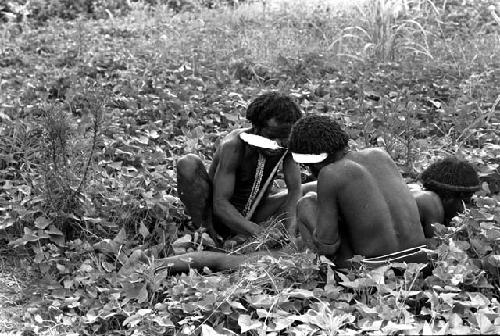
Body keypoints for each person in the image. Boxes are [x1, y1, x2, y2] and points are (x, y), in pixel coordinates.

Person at [288, 115, 429, 269]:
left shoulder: (329, 174)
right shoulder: (380, 154)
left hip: (375, 272)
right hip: (420, 262)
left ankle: (318, 269)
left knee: (306, 204)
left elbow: (328, 245)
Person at [176, 92, 306, 243]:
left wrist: (290, 235)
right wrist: (258, 232)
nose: (277, 143)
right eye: (271, 136)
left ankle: (245, 235)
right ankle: (208, 236)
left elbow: (295, 190)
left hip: (256, 212)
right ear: (255, 127)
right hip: (217, 217)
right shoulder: (234, 146)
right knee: (187, 164)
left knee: (311, 189)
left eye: (284, 137)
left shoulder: (286, 146)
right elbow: (220, 204)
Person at [412, 157, 481, 237]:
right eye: (463, 202)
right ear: (447, 198)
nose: (463, 210)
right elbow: (437, 244)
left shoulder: (416, 194)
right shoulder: (430, 202)